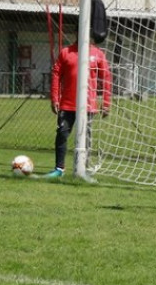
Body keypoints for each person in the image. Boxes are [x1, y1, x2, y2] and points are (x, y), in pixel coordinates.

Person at [47, 37, 112, 179]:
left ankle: (83, 169)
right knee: (62, 134)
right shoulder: (66, 52)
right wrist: (54, 98)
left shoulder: (98, 54)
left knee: (86, 138)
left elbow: (106, 77)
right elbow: (56, 73)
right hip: (67, 104)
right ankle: (59, 169)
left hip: (88, 106)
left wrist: (106, 103)